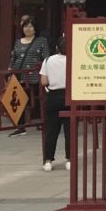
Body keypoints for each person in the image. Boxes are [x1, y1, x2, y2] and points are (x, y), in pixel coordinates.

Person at [9, 15, 49, 135]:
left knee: (38, 100)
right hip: (19, 76)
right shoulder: (18, 42)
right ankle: (20, 127)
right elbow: (13, 58)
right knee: (18, 100)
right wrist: (10, 71)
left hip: (35, 77)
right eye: (26, 26)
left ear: (35, 28)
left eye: (31, 26)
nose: (28, 29)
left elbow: (46, 58)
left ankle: (41, 123)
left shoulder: (41, 41)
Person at [39, 37, 68, 169]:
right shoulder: (73, 60)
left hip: (53, 97)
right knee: (69, 130)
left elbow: (44, 81)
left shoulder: (48, 60)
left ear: (56, 48)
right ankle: (69, 159)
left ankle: (48, 160)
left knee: (51, 130)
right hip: (68, 96)